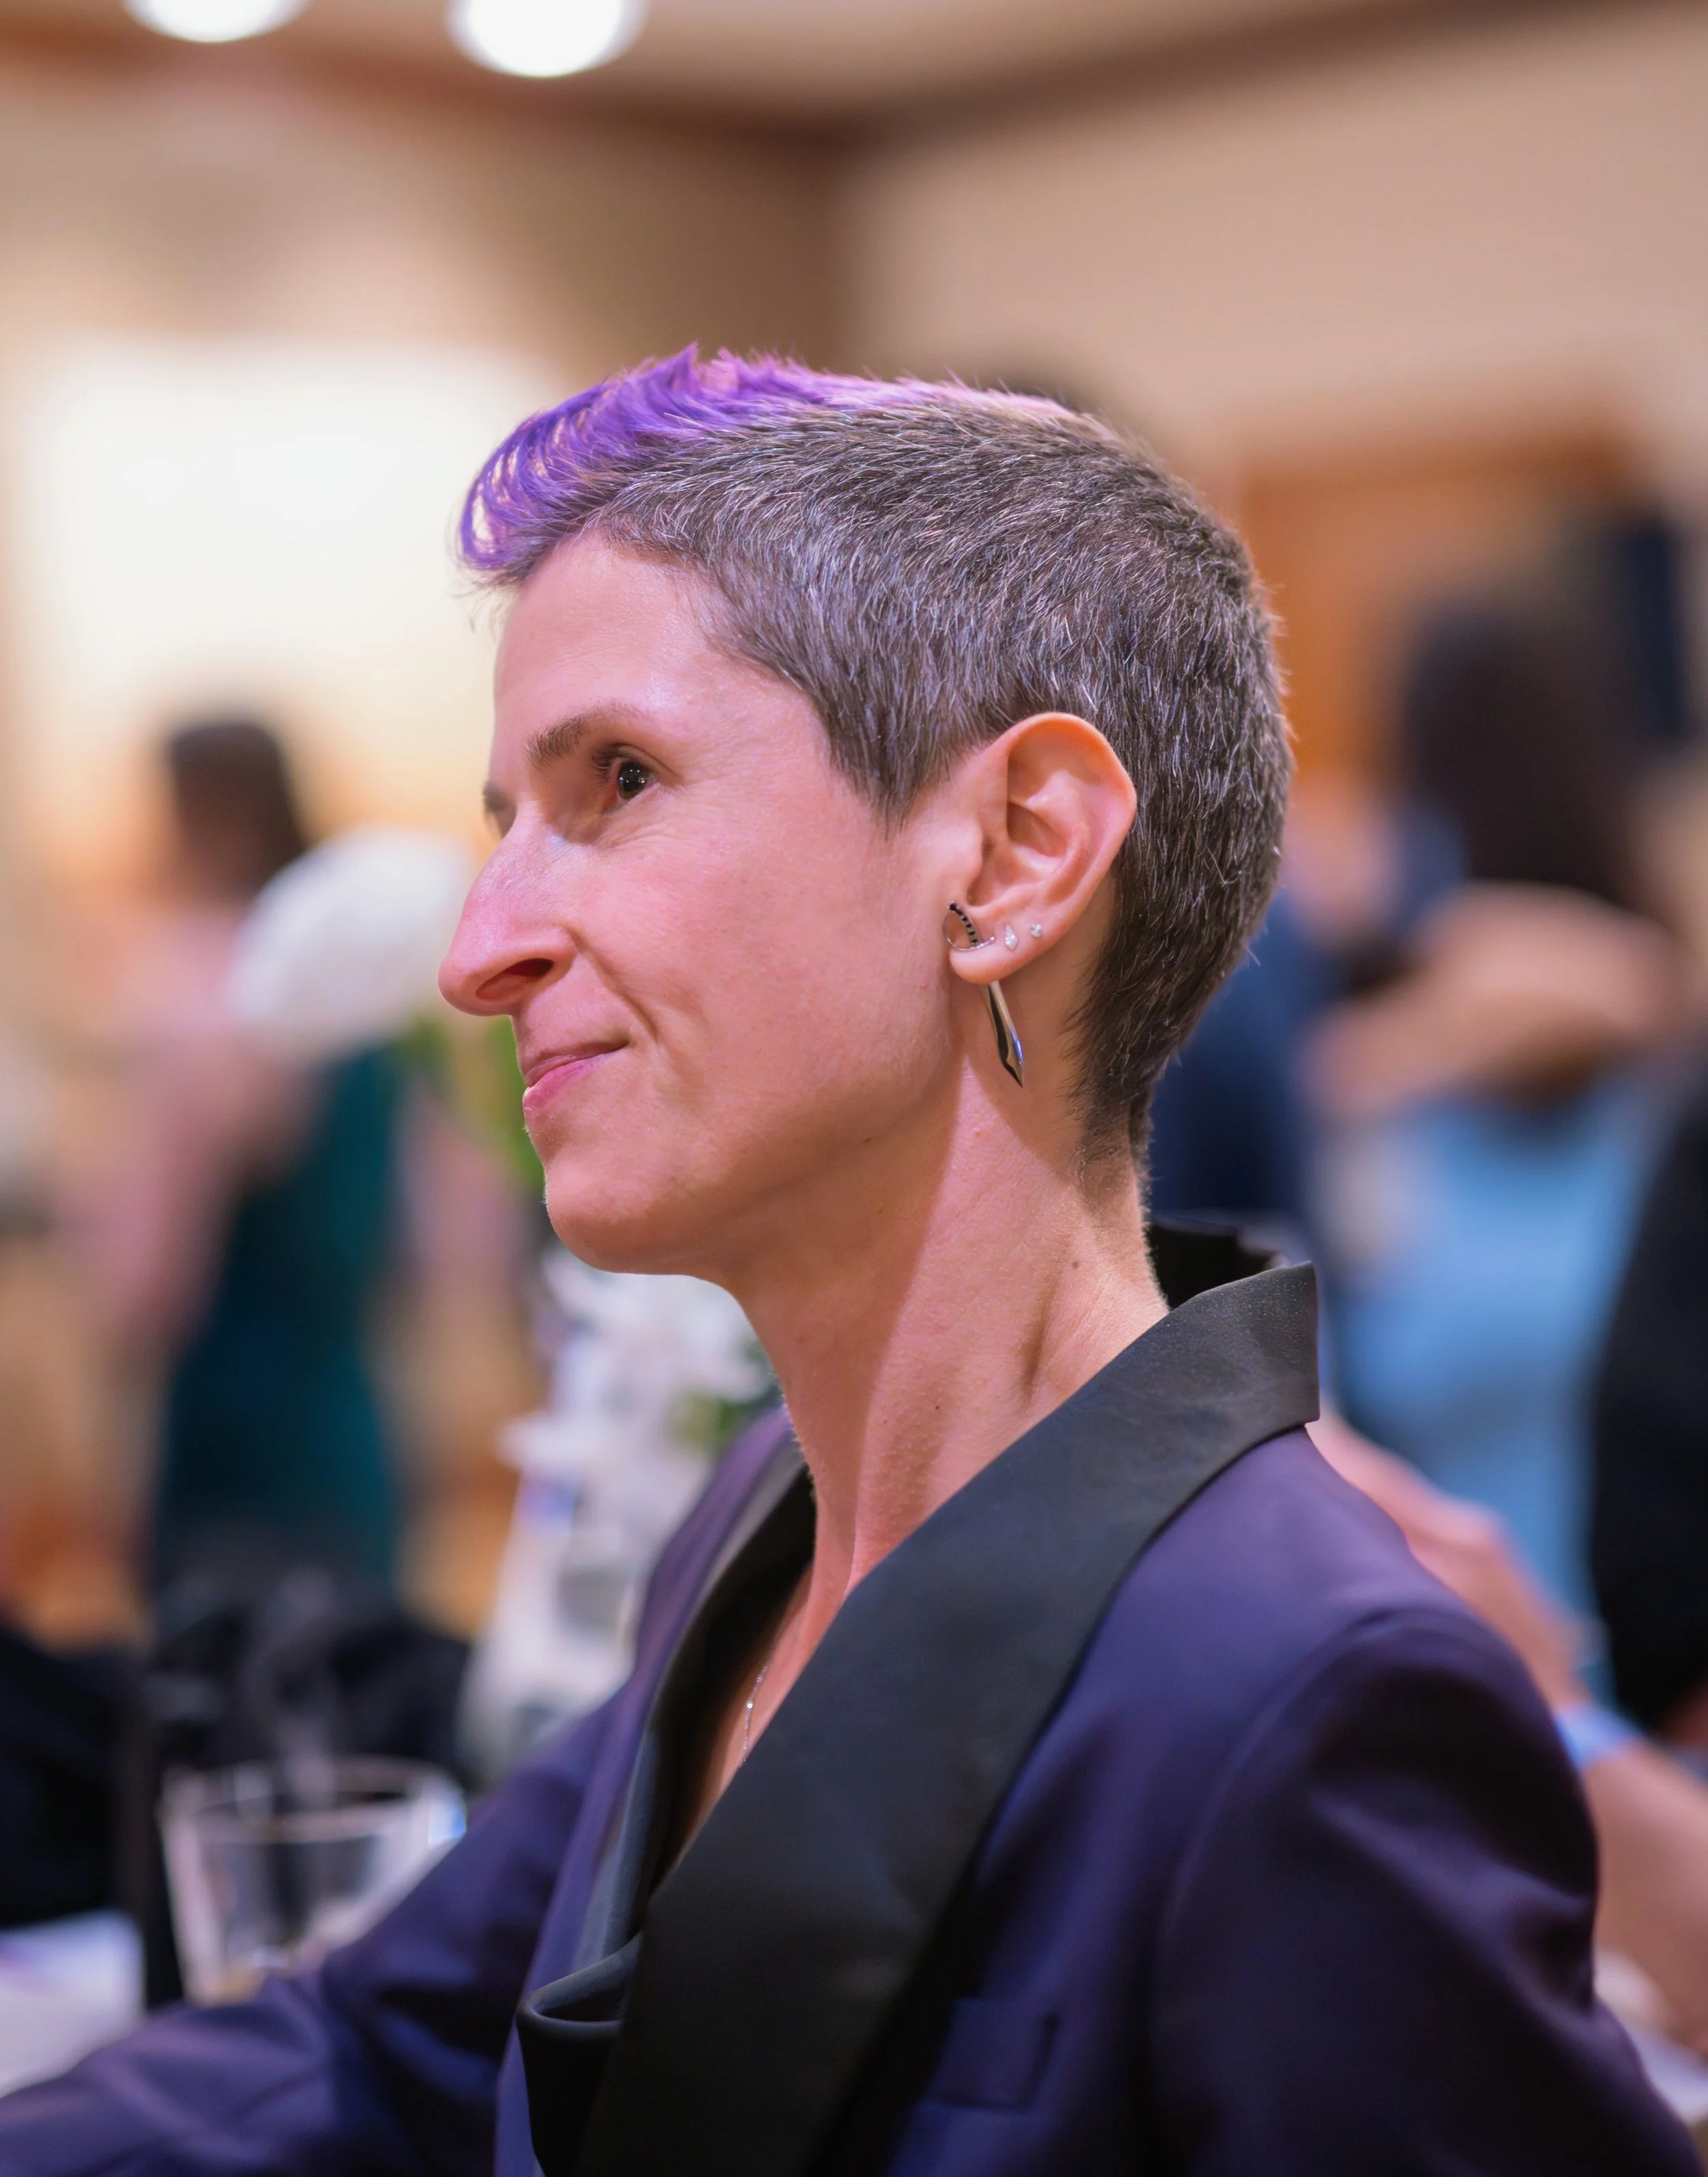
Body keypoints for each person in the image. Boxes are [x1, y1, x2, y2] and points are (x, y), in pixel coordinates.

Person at [0, 352, 1691, 2174]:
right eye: (505, 829)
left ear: (1019, 852)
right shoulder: (759, 1522)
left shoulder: (1298, 1692)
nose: (478, 947)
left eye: (618, 782)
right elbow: (380, 2033)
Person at [71, 719, 406, 1591]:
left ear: (207, 813)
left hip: (233, 1406)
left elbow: (151, 1279)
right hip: (346, 1399)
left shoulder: (206, 978)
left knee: (222, 1682)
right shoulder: (365, 978)